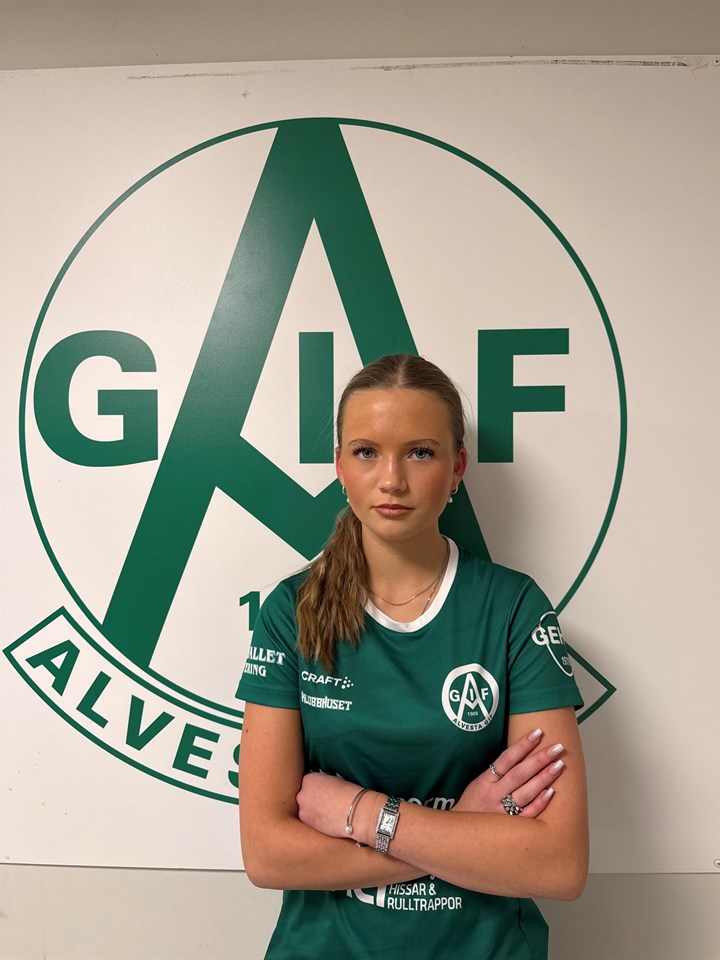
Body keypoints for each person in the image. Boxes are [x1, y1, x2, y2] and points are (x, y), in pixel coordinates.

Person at [238, 354, 588, 960]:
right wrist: (463, 828)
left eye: (420, 453)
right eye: (366, 452)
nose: (392, 479)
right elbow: (268, 855)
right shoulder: (291, 612)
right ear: (339, 467)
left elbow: (558, 864)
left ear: (457, 469)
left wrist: (362, 813)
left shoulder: (513, 608)